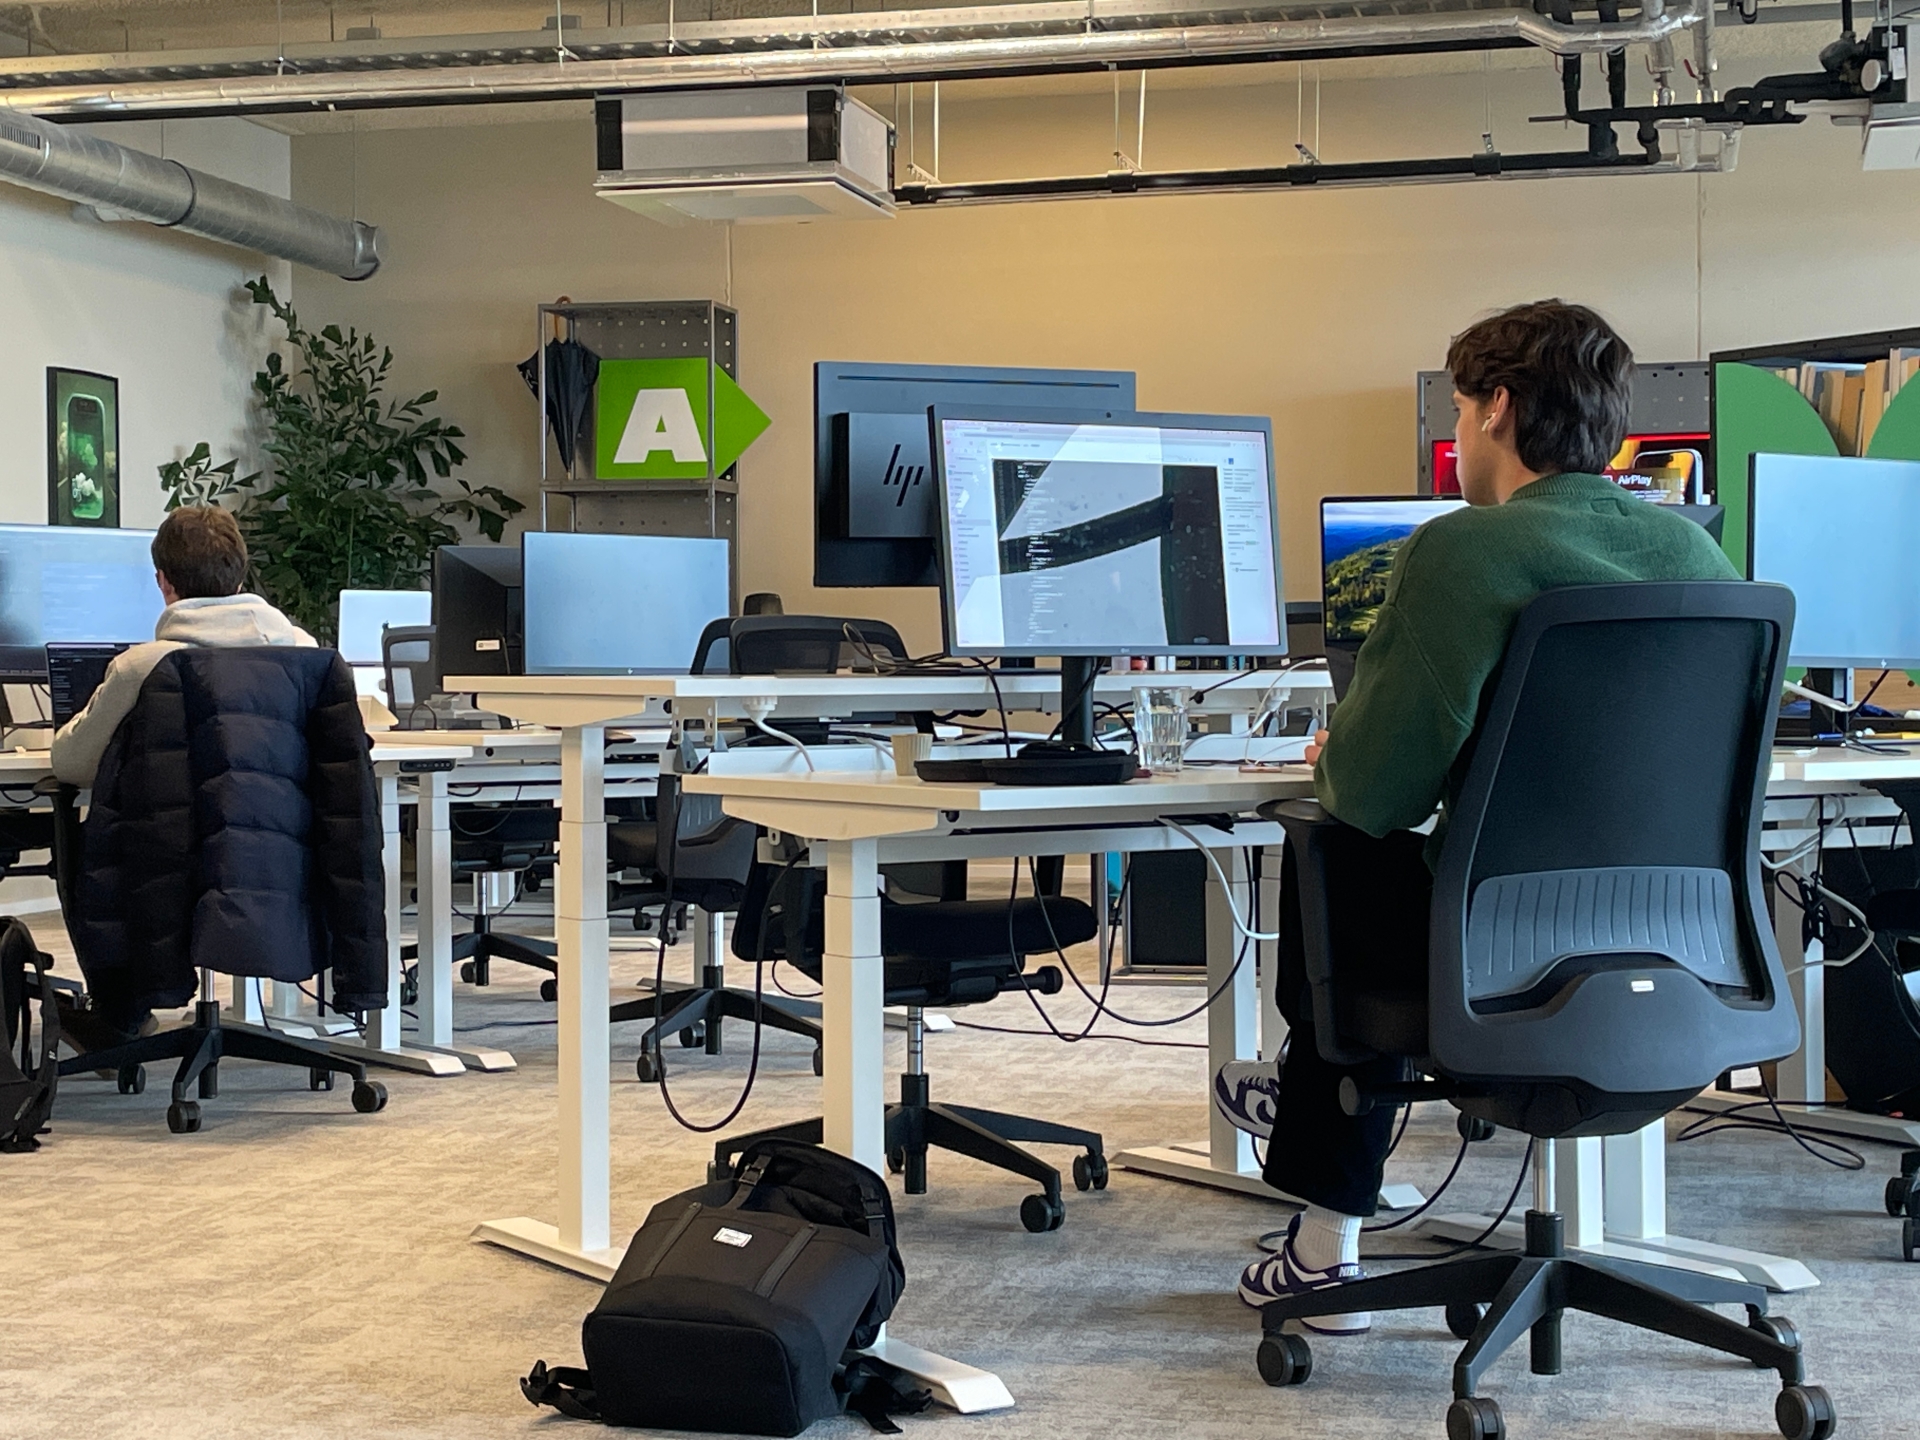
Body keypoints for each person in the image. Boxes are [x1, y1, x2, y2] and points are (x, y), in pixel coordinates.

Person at [1219, 300, 1739, 1332]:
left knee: (1338, 853)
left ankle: (1326, 1246)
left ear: (1497, 409)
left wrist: (1345, 751)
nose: (1457, 439)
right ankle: (1296, 1109)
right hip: (1673, 957)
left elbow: (1374, 793)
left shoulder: (1463, 553)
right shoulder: (1707, 567)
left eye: (1460, 412)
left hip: (1493, 960)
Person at [52, 506, 315, 787]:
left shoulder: (143, 667)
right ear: (239, 580)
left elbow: (73, 766)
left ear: (163, 582)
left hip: (172, 829)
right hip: (284, 828)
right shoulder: (306, 654)